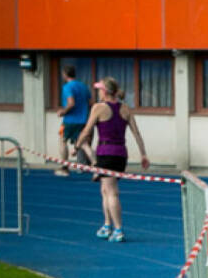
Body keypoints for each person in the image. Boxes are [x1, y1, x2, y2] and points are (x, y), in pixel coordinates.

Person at [76, 77, 148, 243]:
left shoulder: (98, 108)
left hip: (106, 153)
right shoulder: (125, 108)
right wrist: (143, 154)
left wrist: (78, 145)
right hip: (120, 154)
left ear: (105, 91)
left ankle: (118, 229)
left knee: (112, 192)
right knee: (105, 190)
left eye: (100, 89)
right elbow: (136, 133)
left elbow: (87, 130)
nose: (98, 92)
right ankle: (107, 225)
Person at [56, 64, 91, 177]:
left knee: (62, 141)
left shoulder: (67, 87)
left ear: (65, 74)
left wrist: (63, 111)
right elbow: (91, 103)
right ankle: (94, 165)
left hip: (70, 120)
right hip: (83, 120)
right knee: (84, 144)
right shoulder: (84, 86)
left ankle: (64, 168)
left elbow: (71, 103)